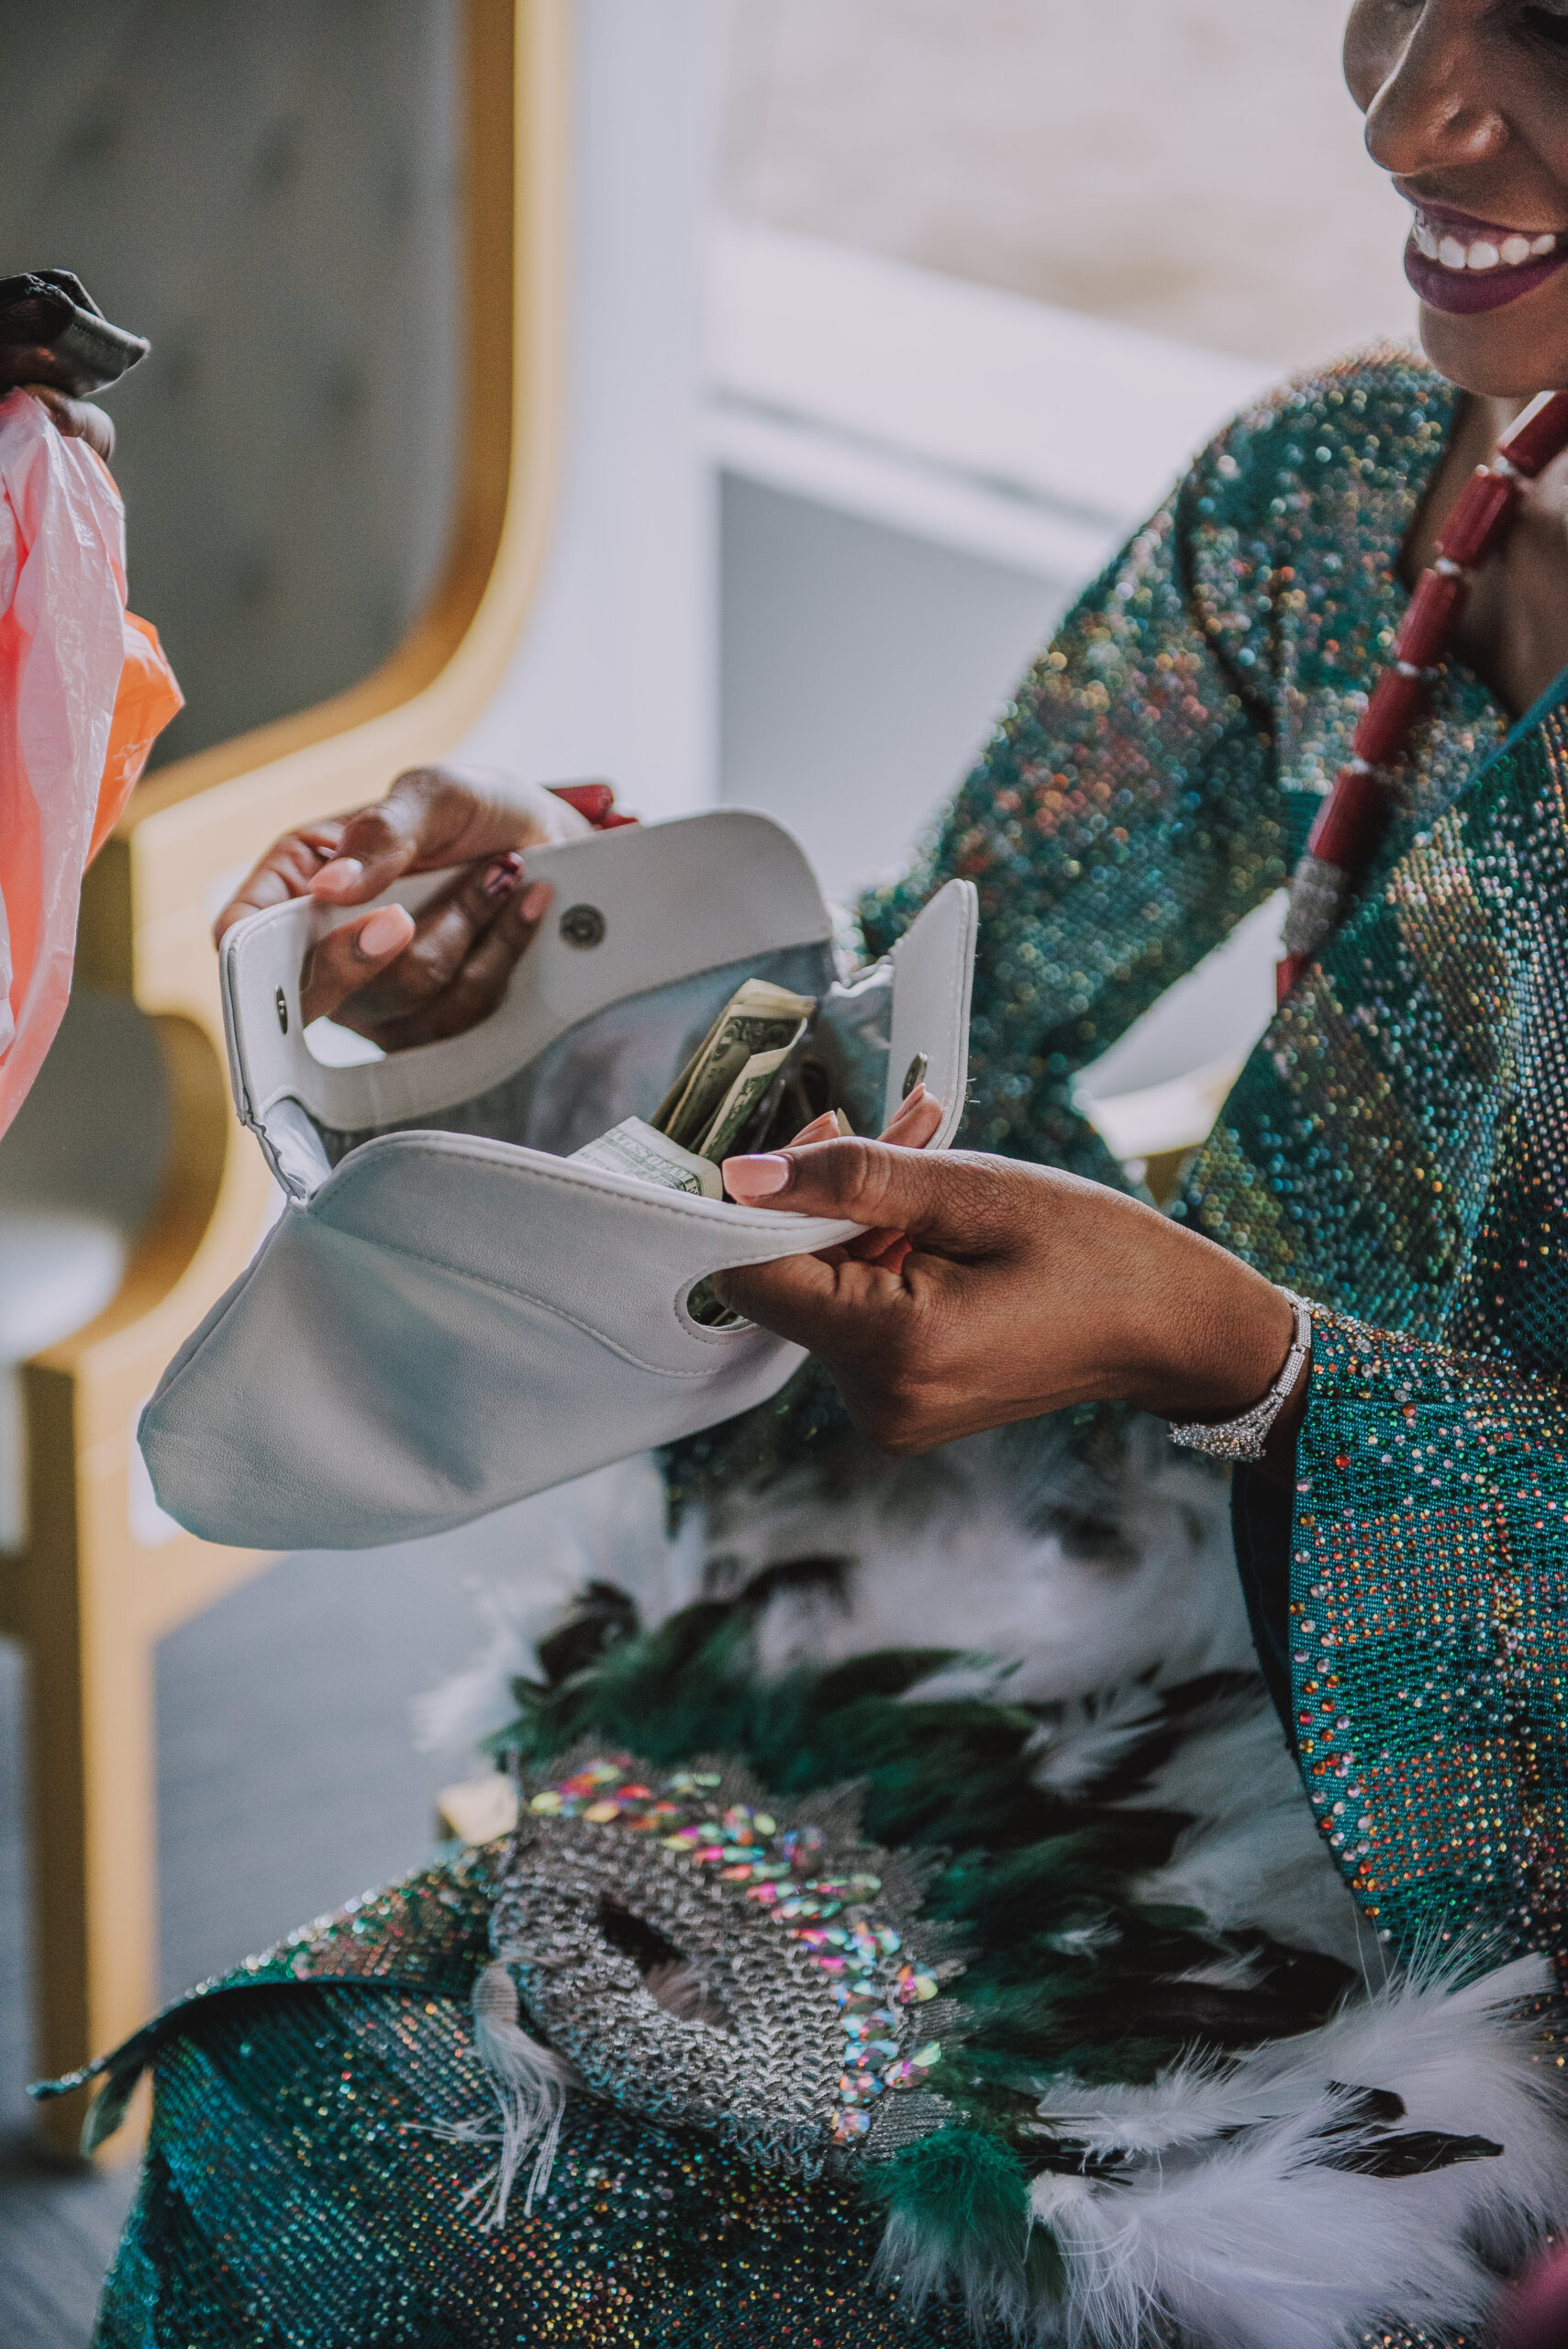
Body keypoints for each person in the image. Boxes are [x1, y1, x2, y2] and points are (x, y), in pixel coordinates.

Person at [69, 7, 1568, 2343]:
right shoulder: (1339, 498)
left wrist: (1218, 1338)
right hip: (1111, 1656)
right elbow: (940, 1009)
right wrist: (566, 940)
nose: (1411, 112)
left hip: (1477, 1869)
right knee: (313, 2117)